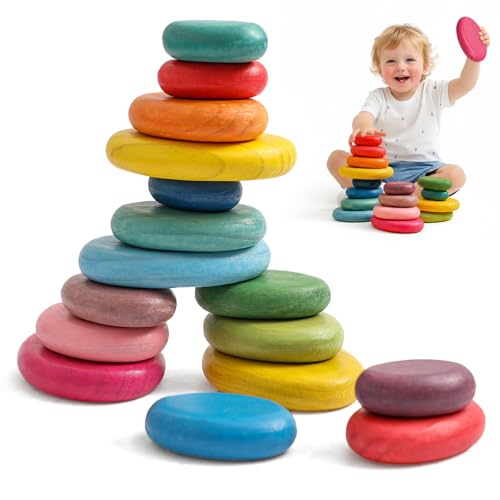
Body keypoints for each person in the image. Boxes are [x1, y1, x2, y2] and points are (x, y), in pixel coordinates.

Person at [327, 23, 490, 194]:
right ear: (380, 69)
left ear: (425, 66)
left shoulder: (433, 91)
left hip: (425, 170)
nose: (400, 67)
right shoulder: (378, 96)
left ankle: (410, 194)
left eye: (410, 60)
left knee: (456, 174)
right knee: (335, 158)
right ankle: (376, 191)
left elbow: (465, 84)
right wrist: (363, 126)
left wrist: (474, 57)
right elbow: (364, 116)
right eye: (391, 61)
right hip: (380, 169)